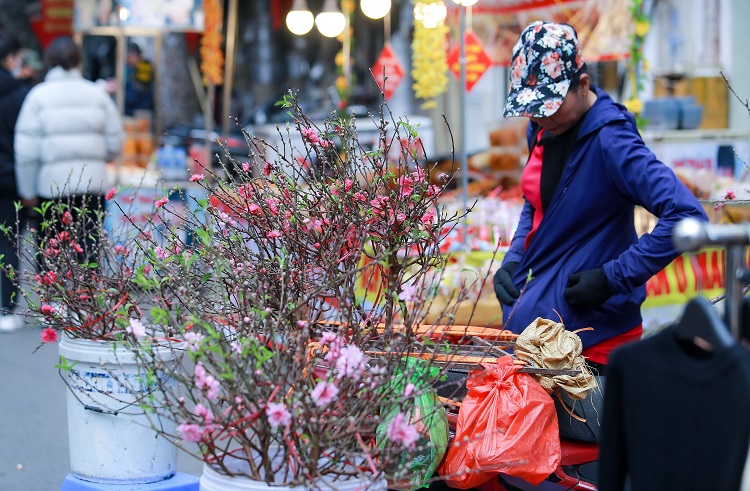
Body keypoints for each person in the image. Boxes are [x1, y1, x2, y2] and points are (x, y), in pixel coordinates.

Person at [493, 21, 708, 374]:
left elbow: (686, 217)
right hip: (540, 341)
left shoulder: (613, 143)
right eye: (534, 107)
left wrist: (612, 278)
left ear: (583, 84)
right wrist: (515, 257)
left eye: (550, 105)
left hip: (594, 347)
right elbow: (535, 201)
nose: (541, 116)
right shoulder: (543, 128)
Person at [14, 36, 123, 255]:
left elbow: (26, 152)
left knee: (51, 257)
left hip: (51, 189)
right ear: (78, 60)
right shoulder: (97, 94)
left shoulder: (38, 96)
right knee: (89, 253)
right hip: (92, 187)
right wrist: (100, 157)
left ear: (49, 60)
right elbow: (116, 141)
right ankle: (89, 289)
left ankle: (55, 291)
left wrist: (27, 191)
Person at [0, 32, 30, 333]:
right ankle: (6, 309)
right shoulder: (20, 94)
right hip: (11, 176)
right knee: (8, 242)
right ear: (10, 59)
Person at [124, 41, 154, 116]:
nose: (127, 60)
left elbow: (140, 90)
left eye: (129, 56)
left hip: (142, 110)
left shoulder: (144, 67)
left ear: (135, 55)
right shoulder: (131, 69)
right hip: (133, 109)